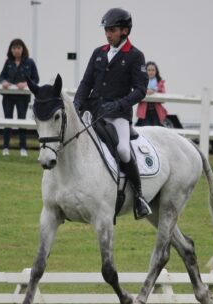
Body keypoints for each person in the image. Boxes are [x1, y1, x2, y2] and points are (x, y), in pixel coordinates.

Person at [73, 8, 151, 219]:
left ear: (125, 31)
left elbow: (140, 90)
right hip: (93, 111)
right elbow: (86, 81)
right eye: (106, 30)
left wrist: (118, 105)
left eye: (112, 30)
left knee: (124, 150)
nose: (108, 34)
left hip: (118, 115)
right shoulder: (99, 53)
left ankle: (139, 197)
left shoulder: (135, 56)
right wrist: (77, 102)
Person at [0, 39, 39, 157]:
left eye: (18, 48)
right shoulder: (8, 62)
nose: (16, 50)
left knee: (22, 121)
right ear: (11, 50)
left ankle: (23, 148)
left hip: (22, 97)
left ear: (23, 49)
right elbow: (1, 76)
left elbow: (36, 79)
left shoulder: (30, 62)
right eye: (14, 48)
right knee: (7, 121)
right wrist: (4, 82)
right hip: (8, 97)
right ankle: (6, 147)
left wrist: (26, 84)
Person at [136, 61, 168, 126]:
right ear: (146, 71)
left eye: (153, 70)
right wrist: (145, 91)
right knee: (146, 129)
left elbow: (163, 99)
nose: (151, 72)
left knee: (156, 129)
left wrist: (155, 91)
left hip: (156, 111)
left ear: (156, 71)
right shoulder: (141, 82)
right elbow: (137, 95)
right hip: (145, 111)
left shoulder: (160, 83)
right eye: (149, 70)